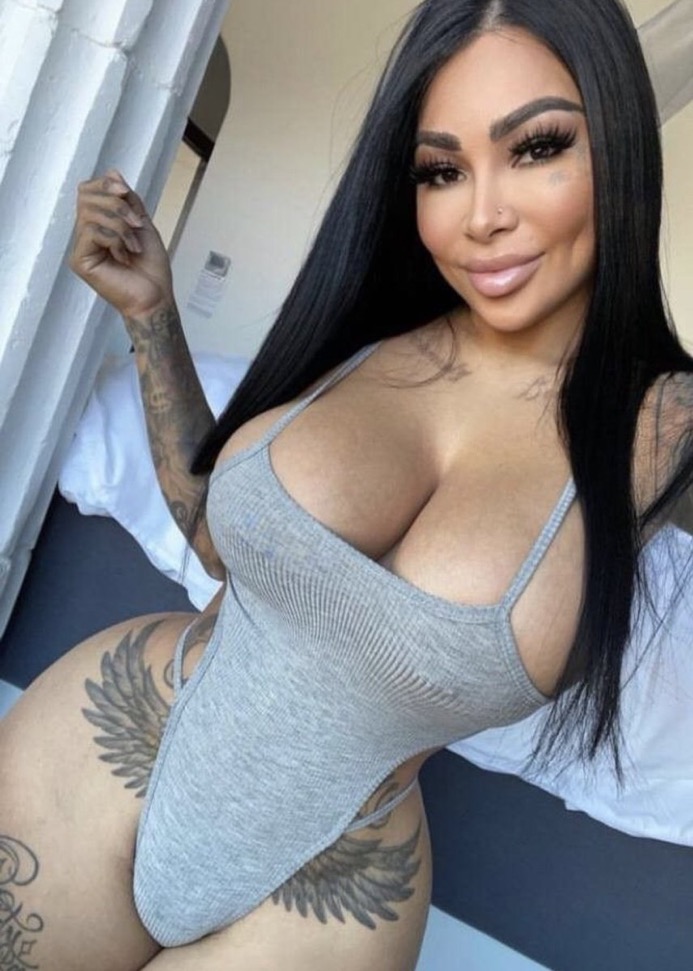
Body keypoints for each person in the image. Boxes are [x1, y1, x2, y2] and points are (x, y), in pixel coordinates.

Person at [2, 0, 692, 967]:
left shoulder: (666, 431)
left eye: (536, 148)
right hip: (113, 742)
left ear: (617, 144)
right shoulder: (371, 323)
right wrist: (152, 315)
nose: (481, 216)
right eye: (441, 170)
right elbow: (219, 547)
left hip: (330, 890)